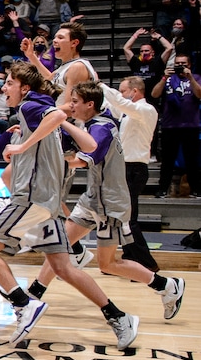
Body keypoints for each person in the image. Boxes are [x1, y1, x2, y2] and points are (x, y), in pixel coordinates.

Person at [0, 63, 139, 350]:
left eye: (9, 83)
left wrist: (45, 131)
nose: (3, 88)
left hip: (33, 200)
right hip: (38, 206)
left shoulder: (34, 109)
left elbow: (76, 133)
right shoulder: (20, 123)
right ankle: (118, 316)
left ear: (24, 87)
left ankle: (22, 304)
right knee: (58, 266)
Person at [29, 80, 186, 322]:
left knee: (108, 264)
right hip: (93, 199)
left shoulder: (102, 128)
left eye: (75, 102)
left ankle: (166, 286)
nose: (71, 105)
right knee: (58, 245)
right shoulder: (91, 124)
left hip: (110, 205)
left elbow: (82, 160)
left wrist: (52, 154)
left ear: (89, 104)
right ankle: (34, 294)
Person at [99, 77, 159, 272]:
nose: (122, 94)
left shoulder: (146, 110)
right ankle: (130, 258)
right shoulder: (127, 114)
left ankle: (146, 263)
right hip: (125, 167)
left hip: (135, 168)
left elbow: (119, 102)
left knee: (129, 219)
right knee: (123, 217)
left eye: (124, 90)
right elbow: (112, 105)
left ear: (134, 91)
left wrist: (100, 85)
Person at [150, 54, 201, 198]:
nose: (180, 66)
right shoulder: (168, 79)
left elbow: (199, 94)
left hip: (191, 125)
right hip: (170, 125)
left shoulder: (196, 77)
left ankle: (196, 189)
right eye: (178, 63)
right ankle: (162, 189)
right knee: (167, 160)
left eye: (183, 63)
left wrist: (190, 78)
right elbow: (154, 94)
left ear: (189, 65)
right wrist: (164, 78)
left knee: (192, 159)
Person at [22, 21, 97, 107]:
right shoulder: (65, 67)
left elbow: (71, 107)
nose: (54, 40)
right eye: (55, 37)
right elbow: (49, 79)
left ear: (74, 43)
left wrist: (42, 112)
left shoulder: (77, 67)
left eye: (60, 38)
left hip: (74, 120)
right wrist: (31, 56)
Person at [122, 28, 173, 100]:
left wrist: (159, 37)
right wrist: (136, 34)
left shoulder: (158, 62)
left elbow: (169, 48)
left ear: (152, 52)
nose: (144, 53)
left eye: (146, 51)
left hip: (154, 97)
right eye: (142, 51)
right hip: (137, 98)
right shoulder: (136, 63)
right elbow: (126, 48)